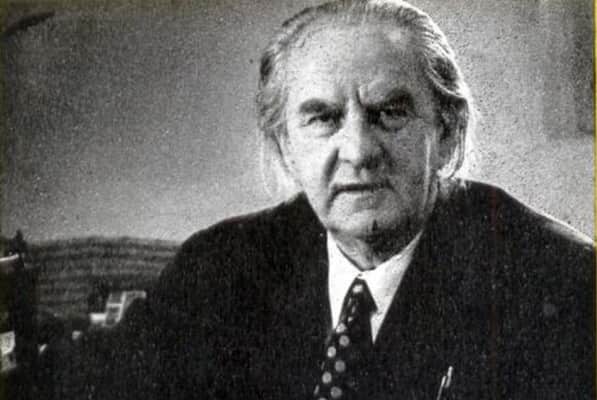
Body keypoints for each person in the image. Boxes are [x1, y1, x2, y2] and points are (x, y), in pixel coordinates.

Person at [57, 1, 595, 399]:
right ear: (285, 148)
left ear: (448, 133)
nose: (358, 151)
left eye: (390, 113)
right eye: (324, 118)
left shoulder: (561, 284)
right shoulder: (219, 266)